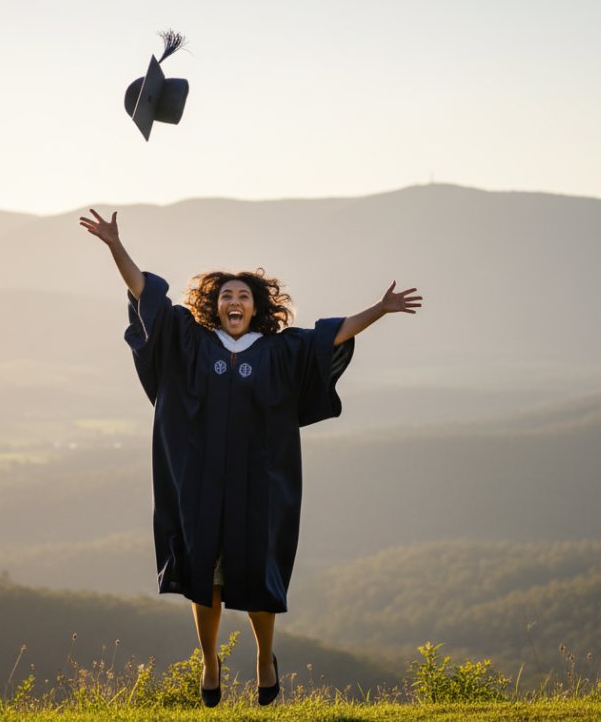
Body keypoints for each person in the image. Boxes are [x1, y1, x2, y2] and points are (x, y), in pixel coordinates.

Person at [78, 208, 421, 706]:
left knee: (259, 576)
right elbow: (146, 294)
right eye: (225, 296)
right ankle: (210, 661)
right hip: (201, 486)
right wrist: (114, 245)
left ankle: (264, 657)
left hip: (258, 487)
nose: (233, 301)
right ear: (213, 307)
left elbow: (334, 334)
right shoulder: (191, 343)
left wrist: (379, 308)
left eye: (243, 296)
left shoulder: (279, 352)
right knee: (205, 577)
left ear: (256, 307)